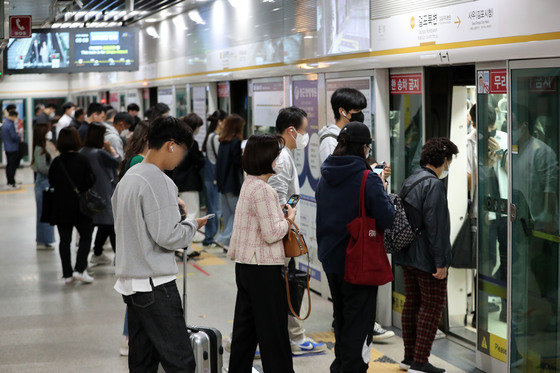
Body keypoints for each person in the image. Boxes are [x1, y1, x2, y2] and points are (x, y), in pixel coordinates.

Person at [112, 116, 207, 372]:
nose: (182, 158)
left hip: (132, 284)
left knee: (142, 360)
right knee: (181, 361)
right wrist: (192, 225)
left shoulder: (130, 175)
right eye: (183, 151)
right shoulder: (159, 180)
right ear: (172, 145)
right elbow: (169, 236)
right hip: (156, 286)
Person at [316, 122, 395, 372]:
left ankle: (340, 366)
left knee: (341, 318)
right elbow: (387, 218)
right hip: (358, 262)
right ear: (364, 148)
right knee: (359, 324)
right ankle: (352, 367)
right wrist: (381, 189)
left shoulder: (326, 174)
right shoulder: (367, 178)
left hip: (331, 259)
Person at [227, 133, 296, 373]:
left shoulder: (249, 184)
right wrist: (289, 220)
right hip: (264, 269)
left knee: (245, 330)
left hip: (245, 265)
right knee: (274, 331)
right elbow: (271, 233)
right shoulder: (265, 191)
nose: (278, 160)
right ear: (266, 158)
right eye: (276, 155)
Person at [393, 137, 458, 373]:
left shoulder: (411, 179)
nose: (449, 166)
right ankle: (420, 362)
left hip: (406, 254)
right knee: (432, 306)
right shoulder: (433, 185)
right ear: (443, 160)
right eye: (449, 161)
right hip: (426, 259)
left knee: (413, 303)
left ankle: (409, 358)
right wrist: (441, 263)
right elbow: (436, 228)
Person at [268, 107, 327, 355]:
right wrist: (286, 228)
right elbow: (280, 201)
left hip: (283, 234)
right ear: (291, 130)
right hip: (282, 236)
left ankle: (290, 336)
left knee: (283, 288)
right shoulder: (281, 158)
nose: (305, 136)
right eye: (303, 131)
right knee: (285, 289)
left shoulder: (281, 154)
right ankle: (294, 339)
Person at [48, 127, 96, 284]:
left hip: (61, 207)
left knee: (64, 241)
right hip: (81, 206)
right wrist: (80, 189)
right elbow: (91, 180)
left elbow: (52, 181)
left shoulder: (57, 162)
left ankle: (67, 274)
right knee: (86, 237)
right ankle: (80, 269)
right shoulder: (82, 159)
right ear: (76, 141)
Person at [80, 124, 121, 266]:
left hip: (88, 198)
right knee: (111, 226)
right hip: (104, 195)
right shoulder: (100, 153)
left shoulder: (82, 151)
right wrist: (111, 149)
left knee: (97, 227)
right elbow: (117, 161)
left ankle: (95, 254)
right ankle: (120, 258)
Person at [173, 114, 206, 244]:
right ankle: (186, 245)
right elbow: (198, 161)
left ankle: (187, 243)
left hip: (179, 180)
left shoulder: (177, 141)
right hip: (190, 181)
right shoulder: (191, 143)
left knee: (184, 213)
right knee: (191, 212)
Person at [215, 114, 245, 248]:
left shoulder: (223, 141)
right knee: (237, 212)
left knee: (226, 213)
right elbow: (237, 163)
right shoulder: (235, 142)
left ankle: (225, 240)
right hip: (232, 183)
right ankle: (224, 238)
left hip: (222, 183)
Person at [319, 88, 367, 164]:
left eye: (361, 111)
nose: (360, 114)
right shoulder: (330, 141)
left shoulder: (354, 135)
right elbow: (333, 172)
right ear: (342, 111)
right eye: (357, 110)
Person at [201, 110, 226, 248]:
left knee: (212, 209)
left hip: (210, 177)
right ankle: (212, 237)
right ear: (220, 121)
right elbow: (220, 159)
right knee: (215, 210)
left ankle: (209, 236)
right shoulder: (215, 138)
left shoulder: (211, 136)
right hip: (214, 178)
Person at [31, 122, 57, 250]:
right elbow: (42, 167)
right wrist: (55, 170)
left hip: (48, 183)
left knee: (48, 212)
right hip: (43, 184)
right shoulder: (39, 148)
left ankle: (46, 239)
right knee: (43, 213)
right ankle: (42, 240)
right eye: (48, 130)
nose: (50, 132)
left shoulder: (47, 146)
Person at [1, 109, 23, 189]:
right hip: (13, 148)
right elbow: (13, 136)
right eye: (16, 117)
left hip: (7, 147)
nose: (16, 119)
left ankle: (9, 182)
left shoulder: (4, 124)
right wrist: (19, 137)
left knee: (9, 166)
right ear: (13, 116)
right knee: (12, 167)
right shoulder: (10, 124)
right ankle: (12, 183)